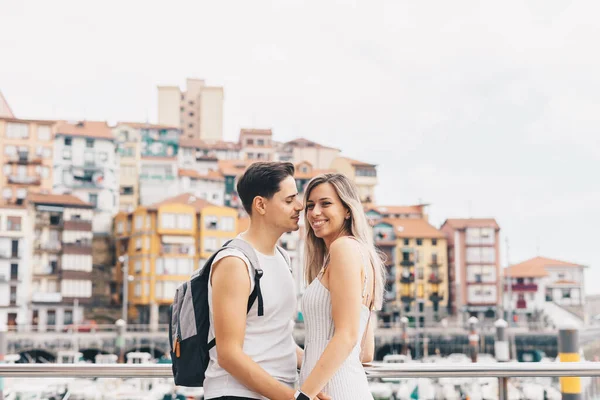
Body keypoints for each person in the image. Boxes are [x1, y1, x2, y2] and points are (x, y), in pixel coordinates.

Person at [205, 161, 329, 400]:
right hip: (236, 394)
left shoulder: (282, 257)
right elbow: (228, 354)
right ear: (261, 205)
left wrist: (328, 368)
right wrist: (293, 398)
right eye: (289, 200)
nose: (300, 207)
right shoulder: (235, 262)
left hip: (276, 392)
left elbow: (276, 337)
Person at [297, 173, 386, 400]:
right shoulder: (362, 254)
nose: (314, 212)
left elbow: (346, 336)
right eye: (310, 205)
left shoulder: (343, 249)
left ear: (348, 210)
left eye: (325, 203)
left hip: (336, 390)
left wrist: (303, 395)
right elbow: (365, 352)